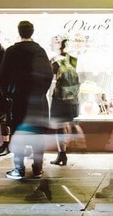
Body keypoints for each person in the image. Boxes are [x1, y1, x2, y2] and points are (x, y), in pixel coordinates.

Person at [0, 20, 53, 180]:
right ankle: (37, 168)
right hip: (38, 102)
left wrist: (8, 94)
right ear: (32, 32)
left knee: (18, 133)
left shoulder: (11, 51)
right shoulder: (40, 51)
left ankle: (19, 168)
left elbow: (3, 78)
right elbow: (48, 76)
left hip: (18, 100)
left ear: (19, 32)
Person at [49, 38, 80, 166]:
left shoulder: (55, 61)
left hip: (60, 98)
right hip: (73, 98)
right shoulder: (73, 59)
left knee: (59, 127)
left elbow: (49, 76)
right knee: (66, 124)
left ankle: (62, 154)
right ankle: (63, 153)